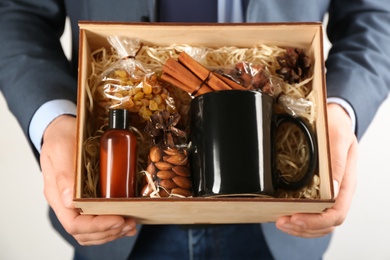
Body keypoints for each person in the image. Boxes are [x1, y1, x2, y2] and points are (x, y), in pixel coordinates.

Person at [0, 0, 389, 259]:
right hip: (123, 236)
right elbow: (18, 11)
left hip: (279, 235)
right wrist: (52, 119)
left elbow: (375, 14)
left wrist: (339, 112)